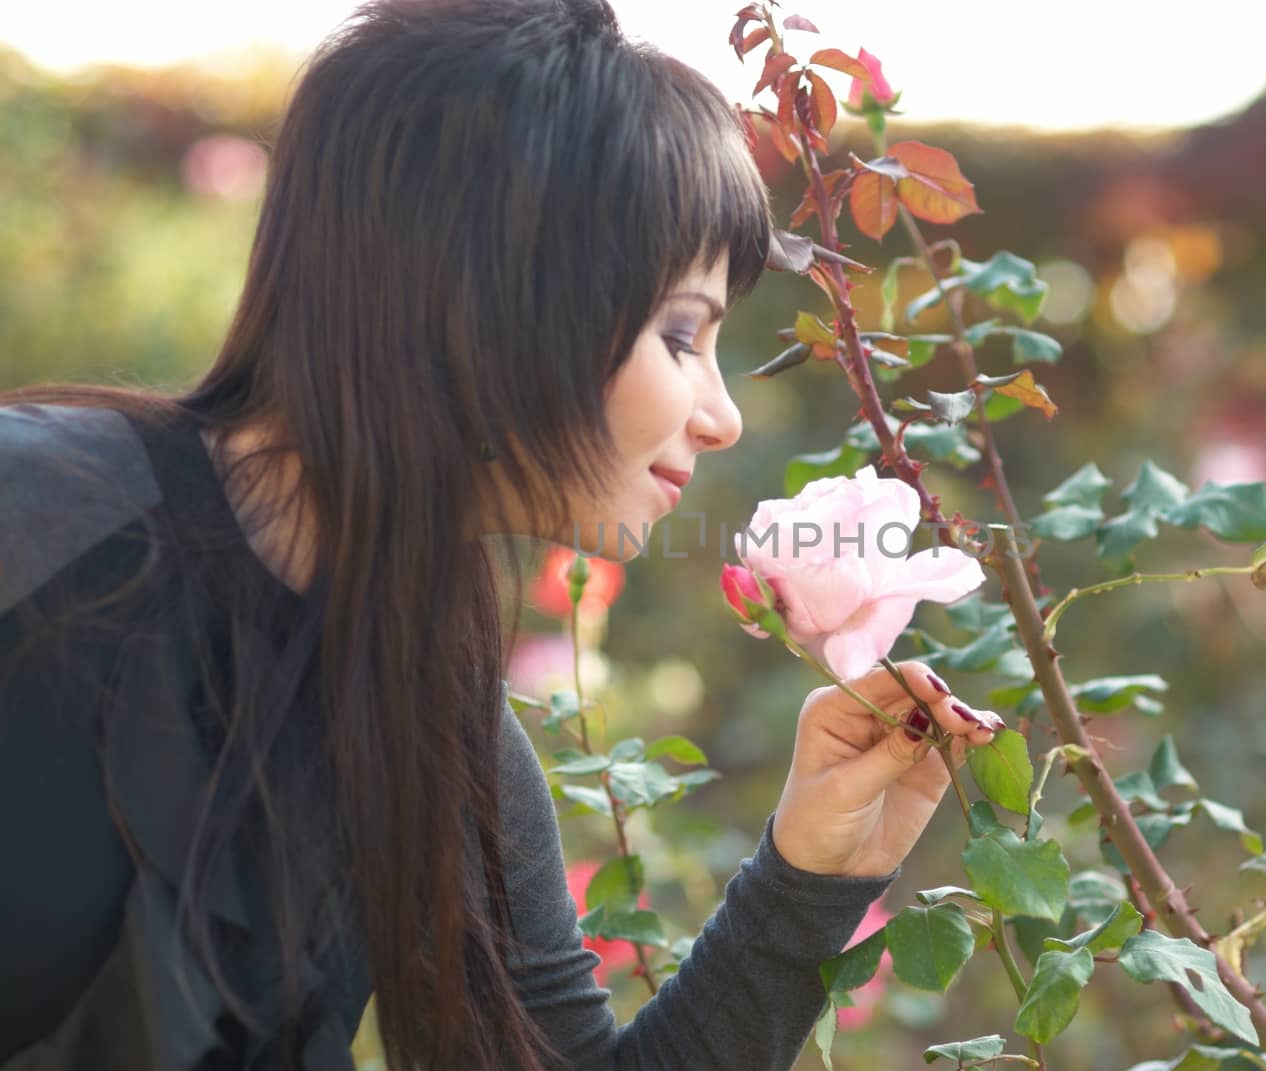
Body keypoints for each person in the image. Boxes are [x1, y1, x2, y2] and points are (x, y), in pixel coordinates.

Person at [0, 1, 1000, 1068]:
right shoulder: (43, 520)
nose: (722, 415)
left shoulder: (434, 707)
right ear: (496, 297)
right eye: (678, 335)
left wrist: (810, 869)